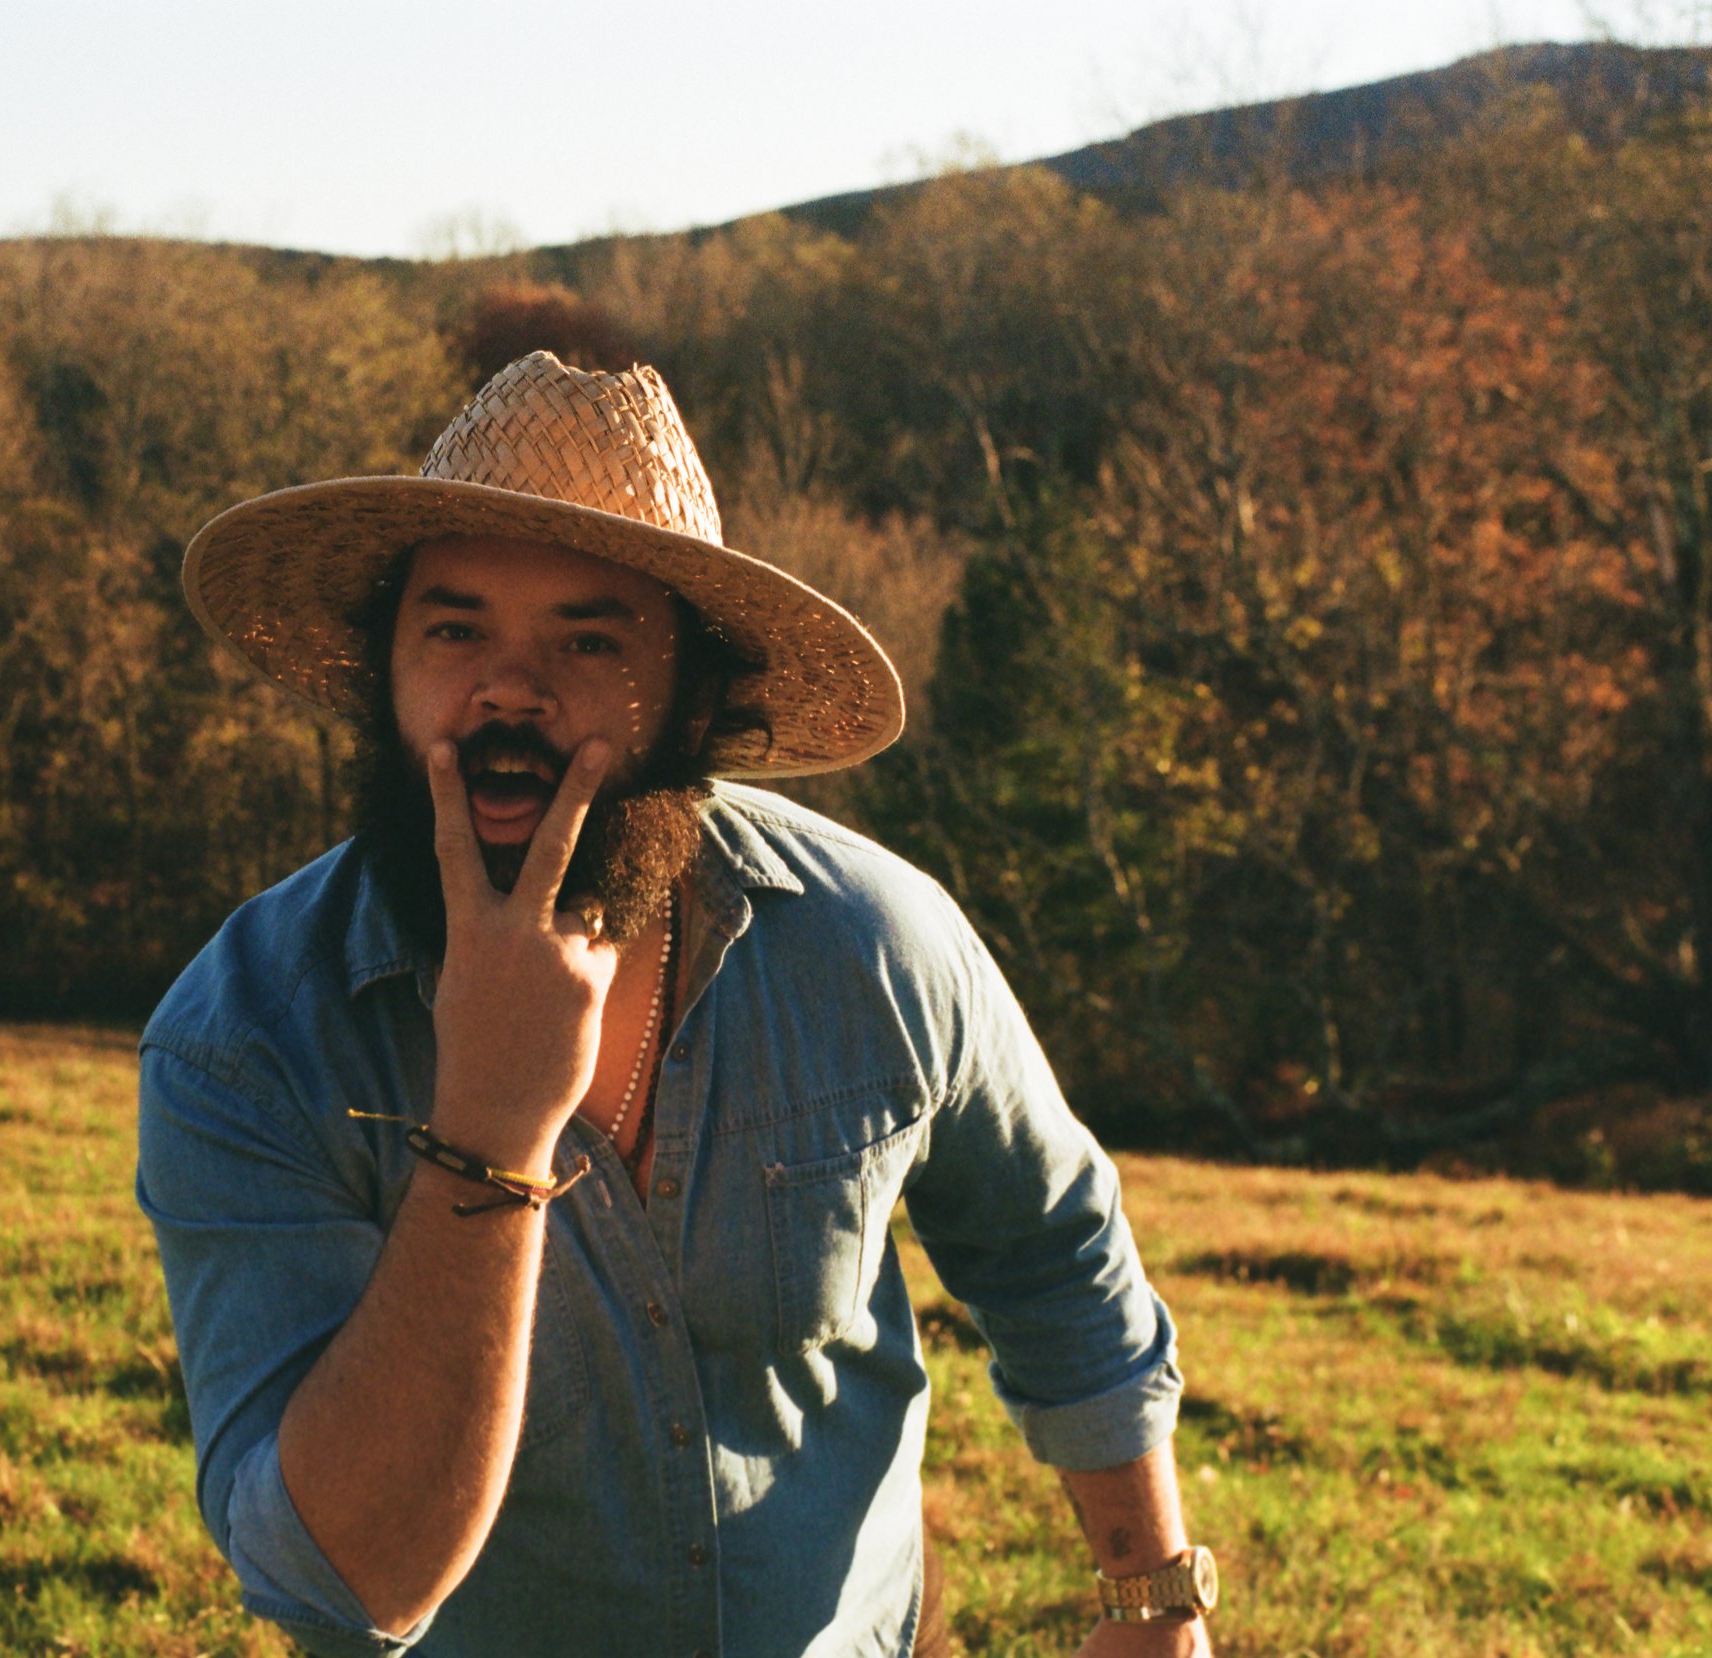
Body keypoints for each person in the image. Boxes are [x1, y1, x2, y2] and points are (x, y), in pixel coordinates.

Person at [138, 352, 1217, 1657]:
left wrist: (1152, 1598)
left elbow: (1053, 1245)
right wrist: (490, 1124)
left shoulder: (868, 944)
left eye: (589, 640)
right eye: (455, 628)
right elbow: (349, 1578)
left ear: (695, 700)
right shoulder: (245, 1036)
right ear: (384, 673)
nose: (510, 691)